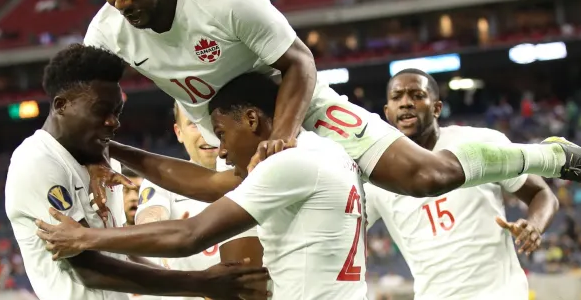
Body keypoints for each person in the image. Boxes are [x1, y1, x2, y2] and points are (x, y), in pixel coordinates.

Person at [83, 0, 581, 211]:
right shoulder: (106, 32)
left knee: (425, 177)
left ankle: (550, 154)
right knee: (226, 212)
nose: (121, 0)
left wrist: (285, 134)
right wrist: (106, 151)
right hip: (221, 128)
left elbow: (298, 61)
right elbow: (92, 103)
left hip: (293, 105)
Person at [35, 72, 368, 300]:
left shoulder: (287, 165)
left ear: (252, 120)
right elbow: (209, 183)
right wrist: (110, 147)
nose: (221, 149)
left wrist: (84, 237)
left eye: (221, 133)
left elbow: (190, 235)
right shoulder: (326, 152)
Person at [4, 44, 268, 300]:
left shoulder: (100, 160)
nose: (113, 122)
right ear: (61, 105)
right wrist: (199, 283)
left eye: (117, 112)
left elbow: (118, 253)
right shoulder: (37, 161)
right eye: (101, 111)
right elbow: (88, 269)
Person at [364, 69, 559, 300]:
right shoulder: (377, 176)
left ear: (437, 107)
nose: (406, 103)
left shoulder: (479, 143)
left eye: (416, 95)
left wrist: (534, 226)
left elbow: (541, 193)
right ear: (387, 112)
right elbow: (342, 230)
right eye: (397, 97)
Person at [132, 103, 264, 300]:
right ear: (179, 132)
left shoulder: (257, 173)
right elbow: (149, 217)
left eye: (210, 125)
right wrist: (161, 231)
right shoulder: (161, 180)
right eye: (194, 124)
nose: (206, 134)